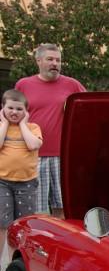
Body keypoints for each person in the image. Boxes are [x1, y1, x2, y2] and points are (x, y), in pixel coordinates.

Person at [15, 43, 86, 218]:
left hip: (62, 156)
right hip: (32, 155)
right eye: (50, 59)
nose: (55, 63)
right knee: (34, 209)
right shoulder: (24, 85)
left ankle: (56, 242)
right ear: (38, 60)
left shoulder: (72, 85)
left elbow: (87, 112)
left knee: (61, 206)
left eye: (58, 60)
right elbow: (12, 116)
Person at [0, 89, 43, 253]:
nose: (14, 112)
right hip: (2, 182)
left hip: (26, 184)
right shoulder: (1, 127)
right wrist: (4, 123)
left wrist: (23, 124)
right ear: (3, 108)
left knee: (21, 225)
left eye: (19, 109)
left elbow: (33, 145)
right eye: (10, 108)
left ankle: (15, 262)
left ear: (26, 112)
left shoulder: (32, 127)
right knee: (2, 224)